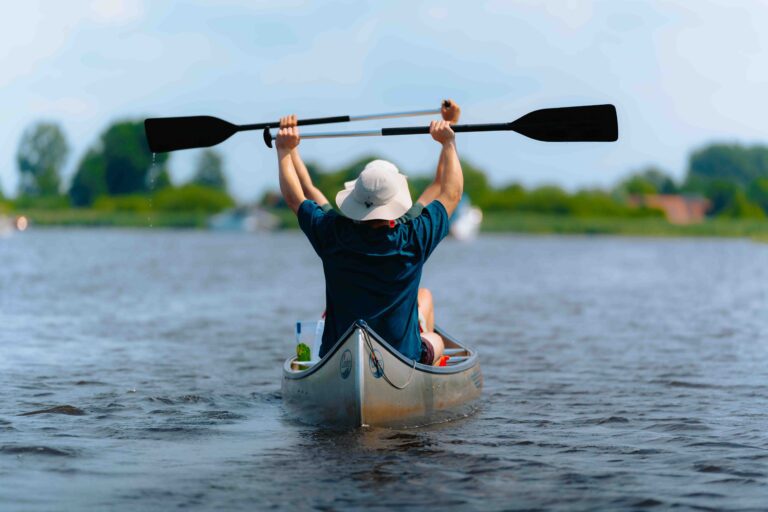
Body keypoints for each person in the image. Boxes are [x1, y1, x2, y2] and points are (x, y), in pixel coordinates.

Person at [275, 100, 463, 365]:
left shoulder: (333, 233)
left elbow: (300, 196)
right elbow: (449, 191)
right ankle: (423, 366)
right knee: (437, 341)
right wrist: (449, 140)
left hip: (340, 354)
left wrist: (285, 150)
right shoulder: (415, 236)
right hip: (401, 355)